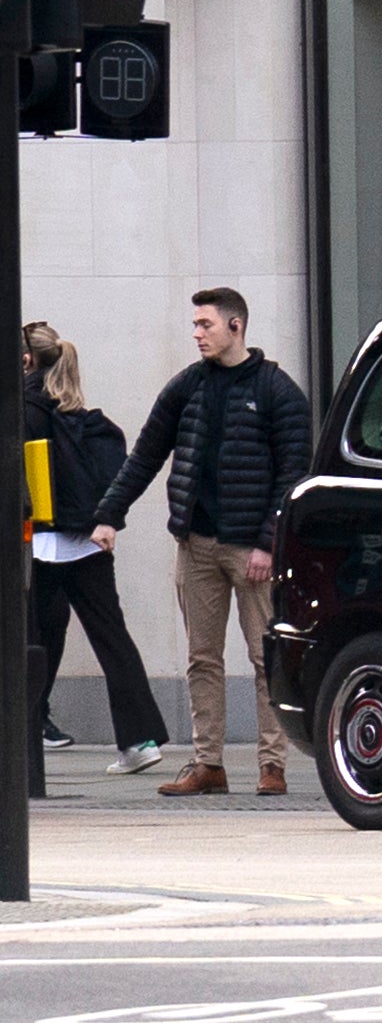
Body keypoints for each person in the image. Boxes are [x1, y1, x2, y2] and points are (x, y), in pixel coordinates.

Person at [91, 289, 313, 796]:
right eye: (194, 325)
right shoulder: (187, 387)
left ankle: (271, 764)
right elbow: (146, 454)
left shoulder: (277, 390)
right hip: (196, 543)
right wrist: (110, 514)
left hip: (251, 549)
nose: (197, 334)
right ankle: (207, 763)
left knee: (264, 659)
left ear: (236, 326)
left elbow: (293, 474)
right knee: (202, 657)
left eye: (205, 325)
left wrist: (267, 543)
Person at [21, 323, 170, 774]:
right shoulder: (80, 414)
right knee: (112, 638)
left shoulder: (24, 409)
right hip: (86, 542)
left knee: (32, 641)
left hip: (41, 544)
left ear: (28, 361)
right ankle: (139, 741)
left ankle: (27, 733)